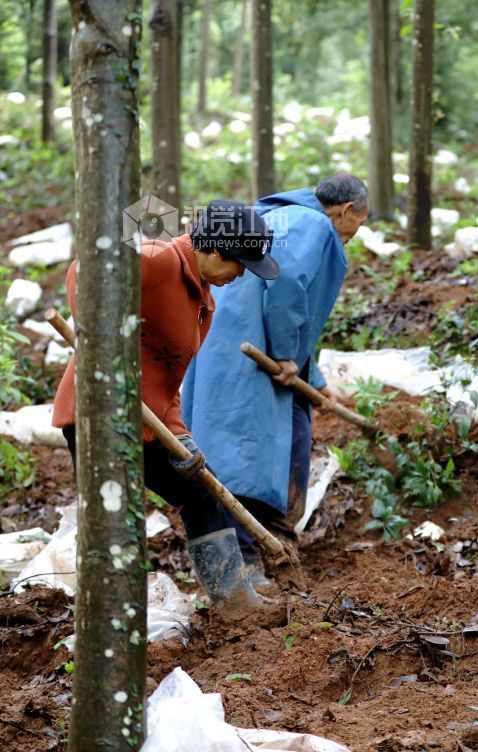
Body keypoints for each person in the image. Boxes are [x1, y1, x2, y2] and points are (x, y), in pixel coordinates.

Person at [52, 200, 278, 615]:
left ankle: (233, 602)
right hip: (100, 415)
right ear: (214, 250)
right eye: (240, 264)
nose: (241, 274)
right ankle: (112, 620)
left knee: (202, 491)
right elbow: (83, 273)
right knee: (116, 521)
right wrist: (98, 336)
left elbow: (167, 380)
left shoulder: (202, 300)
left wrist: (183, 439)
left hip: (151, 423)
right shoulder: (156, 260)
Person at [181, 173, 369, 556]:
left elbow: (296, 310)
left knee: (230, 441)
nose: (354, 233)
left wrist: (312, 377)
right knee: (249, 451)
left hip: (222, 341)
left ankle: (269, 535)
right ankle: (253, 548)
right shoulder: (314, 223)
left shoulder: (274, 213)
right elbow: (286, 286)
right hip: (257, 349)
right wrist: (286, 355)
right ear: (346, 210)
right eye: (358, 225)